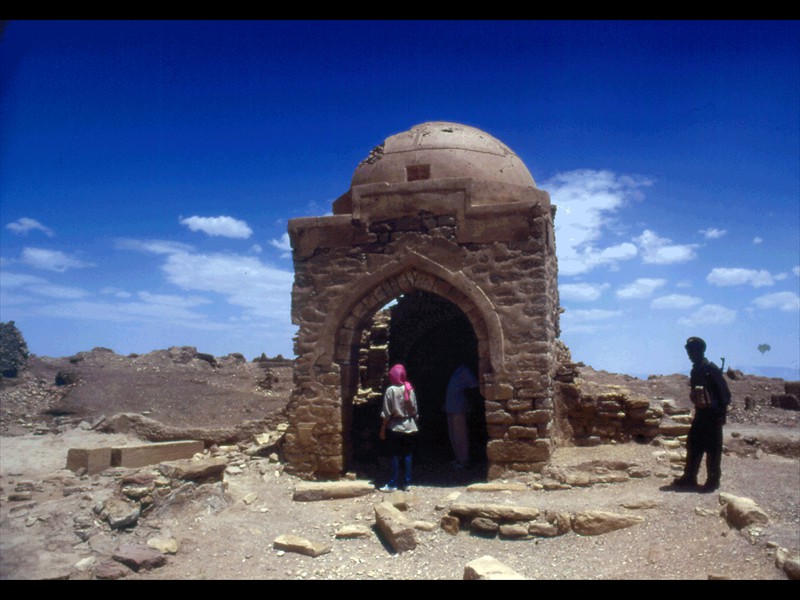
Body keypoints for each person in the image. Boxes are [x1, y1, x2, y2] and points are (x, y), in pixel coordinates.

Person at [672, 337, 732, 492]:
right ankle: (689, 477)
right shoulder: (696, 369)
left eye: (692, 351)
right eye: (688, 351)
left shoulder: (710, 369)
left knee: (713, 449)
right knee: (693, 444)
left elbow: (725, 394)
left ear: (700, 351)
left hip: (712, 416)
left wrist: (719, 413)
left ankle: (713, 481)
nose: (689, 354)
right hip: (701, 414)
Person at [379, 364, 419, 492]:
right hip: (409, 426)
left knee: (394, 455)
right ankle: (407, 482)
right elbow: (415, 410)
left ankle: (393, 483)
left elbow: (386, 413)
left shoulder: (391, 390)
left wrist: (383, 428)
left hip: (395, 427)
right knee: (407, 455)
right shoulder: (409, 389)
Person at [444, 363, 479, 469]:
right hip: (450, 407)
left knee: (460, 435)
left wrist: (468, 403)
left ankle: (464, 460)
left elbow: (474, 387)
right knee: (453, 435)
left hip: (459, 408)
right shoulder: (454, 372)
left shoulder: (464, 371)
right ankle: (459, 458)